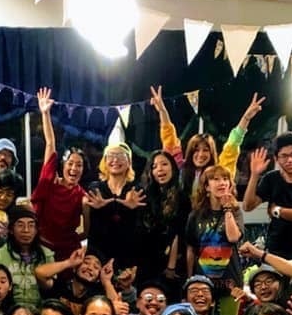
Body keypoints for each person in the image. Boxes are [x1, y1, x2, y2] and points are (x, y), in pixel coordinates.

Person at [150, 86, 264, 194]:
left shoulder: (218, 172)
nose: (201, 154)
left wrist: (246, 119)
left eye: (205, 150)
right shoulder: (180, 168)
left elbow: (232, 145)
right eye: (196, 150)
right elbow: (169, 138)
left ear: (211, 152)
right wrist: (162, 111)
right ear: (190, 151)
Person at [32, 87, 88, 261]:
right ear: (63, 165)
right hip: (39, 246)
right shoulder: (49, 181)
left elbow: (87, 231)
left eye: (79, 165)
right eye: (70, 163)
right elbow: (50, 143)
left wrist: (69, 243)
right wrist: (45, 113)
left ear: (83, 170)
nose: (74, 168)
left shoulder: (83, 197)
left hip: (66, 251)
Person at [84, 142, 144, 272]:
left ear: (129, 162)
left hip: (127, 256)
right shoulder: (95, 188)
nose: (115, 160)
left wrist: (133, 210)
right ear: (105, 162)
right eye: (111, 156)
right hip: (98, 255)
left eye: (121, 156)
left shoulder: (136, 191)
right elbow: (86, 225)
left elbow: (141, 229)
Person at [184, 165, 244, 291]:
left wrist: (227, 208)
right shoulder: (196, 215)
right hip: (203, 283)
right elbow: (191, 249)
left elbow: (233, 238)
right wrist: (190, 279)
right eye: (216, 179)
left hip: (231, 283)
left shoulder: (235, 211)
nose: (222, 183)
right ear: (207, 187)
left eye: (225, 179)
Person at [138, 150, 191, 281]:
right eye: (154, 166)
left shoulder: (182, 197)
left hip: (172, 263)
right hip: (147, 260)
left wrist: (171, 266)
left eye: (164, 164)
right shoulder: (145, 196)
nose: (160, 169)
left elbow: (178, 233)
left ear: (173, 168)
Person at [0, 204, 54, 308]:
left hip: (39, 311)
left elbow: (50, 289)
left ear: (36, 230)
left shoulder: (47, 255)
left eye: (31, 225)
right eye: (20, 225)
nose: (26, 230)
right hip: (8, 311)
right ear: (11, 230)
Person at [35, 248, 124, 315]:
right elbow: (40, 273)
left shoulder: (97, 298)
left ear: (98, 278)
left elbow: (119, 309)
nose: (89, 268)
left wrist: (106, 281)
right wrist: (69, 262)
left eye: (96, 267)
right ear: (75, 268)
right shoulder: (60, 286)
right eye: (86, 262)